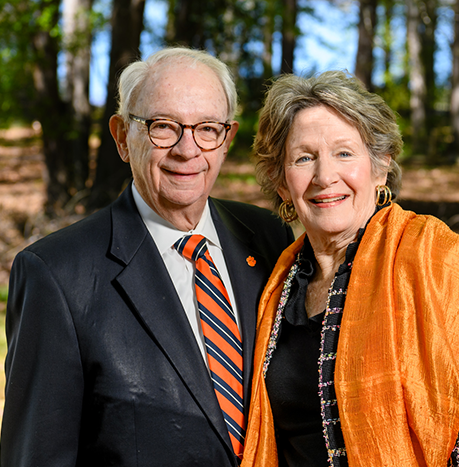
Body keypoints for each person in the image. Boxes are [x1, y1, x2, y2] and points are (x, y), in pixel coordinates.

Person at [1, 47, 294, 466]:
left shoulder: (269, 239)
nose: (187, 149)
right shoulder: (57, 275)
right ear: (122, 137)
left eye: (207, 128)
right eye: (163, 126)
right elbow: (37, 455)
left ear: (227, 140)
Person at [241, 70, 459, 467]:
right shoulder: (278, 286)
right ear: (282, 184)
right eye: (304, 158)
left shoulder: (439, 260)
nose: (325, 177)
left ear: (380, 167)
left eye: (344, 153)